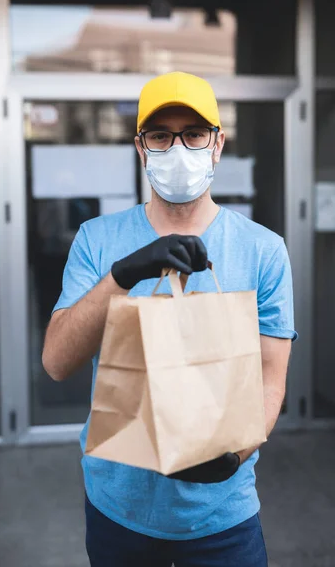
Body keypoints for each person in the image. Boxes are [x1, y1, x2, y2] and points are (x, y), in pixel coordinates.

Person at [42, 71, 297, 566]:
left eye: (194, 134)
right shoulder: (97, 239)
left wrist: (235, 454)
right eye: (160, 135)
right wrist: (123, 274)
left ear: (217, 145)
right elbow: (56, 362)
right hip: (119, 509)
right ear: (141, 148)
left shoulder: (264, 250)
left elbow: (271, 376)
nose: (177, 148)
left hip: (224, 516)